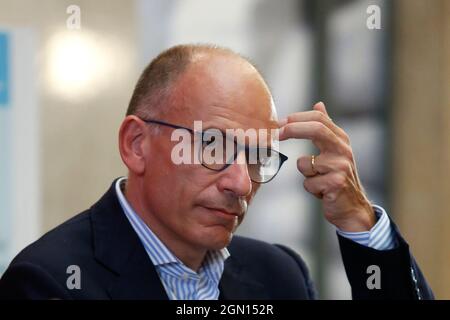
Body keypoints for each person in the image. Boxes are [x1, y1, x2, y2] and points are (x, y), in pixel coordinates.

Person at [0, 44, 433, 299]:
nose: (241, 183)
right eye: (213, 146)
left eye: (257, 156)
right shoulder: (52, 281)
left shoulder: (278, 275)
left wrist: (360, 225)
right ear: (136, 146)